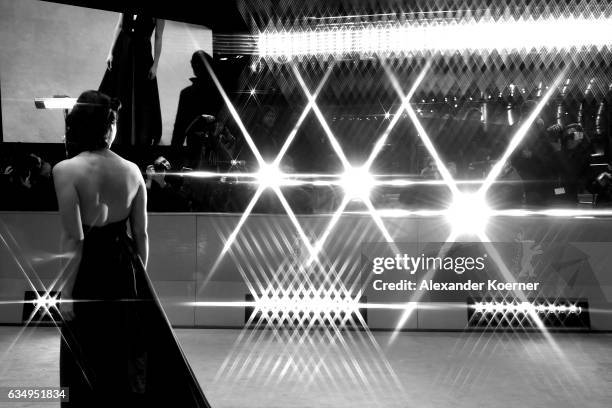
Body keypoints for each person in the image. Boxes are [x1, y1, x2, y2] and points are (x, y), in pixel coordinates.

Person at [54, 90, 209, 407]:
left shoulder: (65, 170)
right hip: (126, 269)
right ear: (109, 126)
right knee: (127, 353)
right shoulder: (133, 171)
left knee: (87, 354)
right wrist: (140, 278)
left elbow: (74, 238)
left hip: (87, 274)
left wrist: (66, 292)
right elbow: (142, 233)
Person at [99, 13, 164, 146]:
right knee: (118, 90)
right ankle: (115, 136)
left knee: (139, 96)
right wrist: (110, 52)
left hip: (142, 54)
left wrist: (155, 64)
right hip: (122, 50)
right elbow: (119, 26)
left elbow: (158, 36)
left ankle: (138, 138)